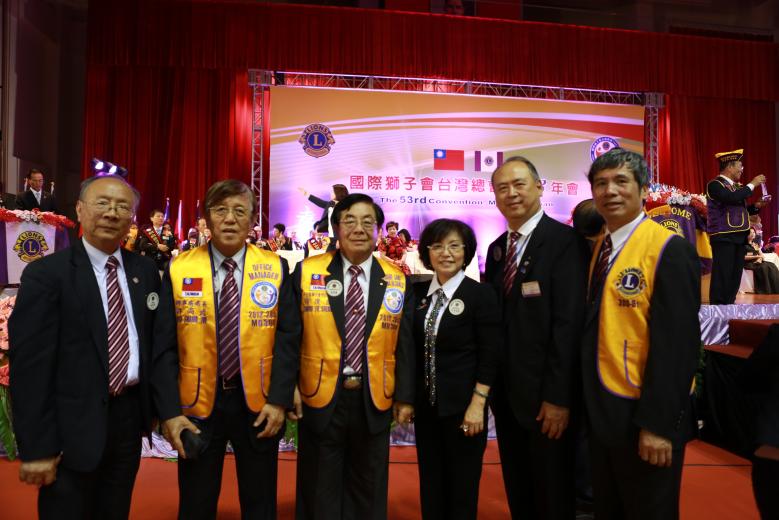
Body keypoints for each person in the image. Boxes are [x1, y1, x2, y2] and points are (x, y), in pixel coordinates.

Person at [9, 174, 161, 519]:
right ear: (79, 210)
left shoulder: (145, 271)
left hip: (127, 422)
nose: (111, 212)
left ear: (132, 218)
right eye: (102, 203)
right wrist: (37, 448)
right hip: (70, 426)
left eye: (122, 206)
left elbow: (152, 343)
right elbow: (30, 368)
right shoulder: (48, 274)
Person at [153, 179, 299, 520]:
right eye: (220, 210)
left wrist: (279, 399)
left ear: (252, 221)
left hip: (259, 402)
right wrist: (170, 411)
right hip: (197, 401)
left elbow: (288, 338)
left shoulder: (275, 267)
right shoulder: (180, 267)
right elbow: (163, 345)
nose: (230, 219)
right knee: (196, 502)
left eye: (239, 211)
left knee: (260, 502)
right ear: (206, 219)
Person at [583, 148, 701, 520]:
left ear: (644, 189)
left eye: (621, 181)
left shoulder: (668, 248)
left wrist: (658, 426)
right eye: (601, 183)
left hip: (645, 416)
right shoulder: (602, 248)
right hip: (605, 414)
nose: (610, 191)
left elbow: (678, 346)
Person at [292, 193, 415, 520]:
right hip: (319, 393)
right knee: (319, 488)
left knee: (368, 488)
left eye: (367, 222)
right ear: (336, 228)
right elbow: (290, 335)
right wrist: (288, 387)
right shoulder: (307, 271)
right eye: (350, 221)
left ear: (378, 231)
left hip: (373, 395)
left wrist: (405, 396)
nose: (359, 229)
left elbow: (404, 343)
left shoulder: (396, 278)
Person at [485, 156, 587, 519]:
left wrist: (558, 398)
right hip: (508, 397)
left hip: (548, 400)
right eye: (502, 188)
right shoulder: (497, 249)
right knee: (519, 489)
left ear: (540, 187)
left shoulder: (565, 242)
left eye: (519, 184)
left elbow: (568, 325)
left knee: (553, 493)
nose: (511, 194)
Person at [412, 218, 500, 519]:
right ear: (427, 252)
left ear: (466, 251)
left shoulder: (481, 295)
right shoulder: (417, 294)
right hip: (426, 409)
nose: (445, 253)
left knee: (462, 487)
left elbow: (490, 354)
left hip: (464, 409)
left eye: (454, 246)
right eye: (437, 246)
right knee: (431, 484)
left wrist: (478, 403)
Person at [706, 149, 769, 304]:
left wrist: (757, 206)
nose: (742, 169)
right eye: (740, 166)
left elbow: (741, 211)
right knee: (723, 274)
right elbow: (730, 198)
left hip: (739, 237)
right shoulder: (715, 185)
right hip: (723, 236)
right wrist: (752, 184)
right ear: (730, 166)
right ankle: (718, 308)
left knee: (734, 276)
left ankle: (729, 305)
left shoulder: (736, 188)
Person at [744, 227, 779, 294]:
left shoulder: (755, 244)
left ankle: (774, 288)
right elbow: (743, 257)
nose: (752, 234)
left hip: (757, 261)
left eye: (753, 232)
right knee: (763, 267)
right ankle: (764, 289)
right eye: (750, 232)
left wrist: (760, 257)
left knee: (772, 266)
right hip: (749, 263)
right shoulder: (743, 245)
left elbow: (761, 254)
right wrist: (757, 257)